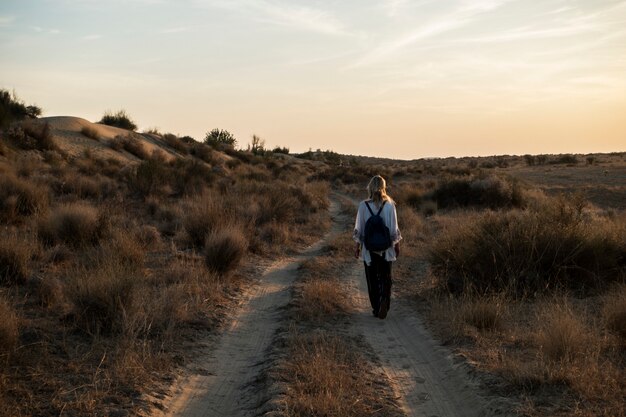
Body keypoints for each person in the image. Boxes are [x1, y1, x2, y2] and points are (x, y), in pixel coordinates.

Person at [353, 175, 402, 319]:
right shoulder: (390, 205)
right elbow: (394, 229)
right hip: (386, 248)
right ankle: (384, 303)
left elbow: (359, 229)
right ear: (383, 187)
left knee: (371, 278)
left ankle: (376, 307)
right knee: (386, 276)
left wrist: (357, 246)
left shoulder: (363, 205)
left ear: (370, 187)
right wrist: (397, 245)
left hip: (369, 248)